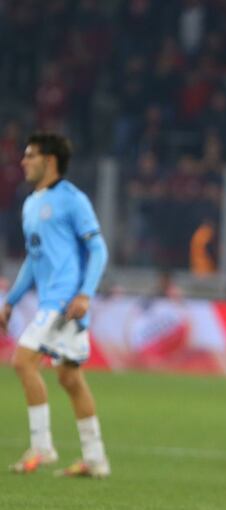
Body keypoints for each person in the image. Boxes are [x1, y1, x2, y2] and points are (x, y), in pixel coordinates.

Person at [2, 132, 110, 477]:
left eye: (30, 155)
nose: (23, 161)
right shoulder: (31, 203)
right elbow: (33, 260)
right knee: (69, 377)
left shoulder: (72, 200)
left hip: (65, 301)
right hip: (53, 300)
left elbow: (98, 249)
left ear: (49, 160)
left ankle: (42, 447)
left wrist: (85, 294)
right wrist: (11, 300)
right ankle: (95, 459)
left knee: (23, 360)